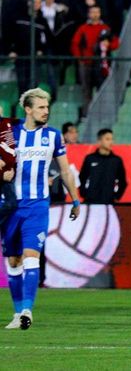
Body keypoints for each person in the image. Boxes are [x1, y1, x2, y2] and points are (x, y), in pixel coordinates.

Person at [2, 89, 80, 330]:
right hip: (11, 206)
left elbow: (65, 171)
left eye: (47, 107)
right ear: (28, 109)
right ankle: (17, 313)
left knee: (31, 256)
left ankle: (27, 310)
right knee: (14, 260)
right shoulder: (9, 134)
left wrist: (75, 199)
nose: (46, 111)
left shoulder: (54, 136)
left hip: (38, 206)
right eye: (41, 107)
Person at [79, 129, 127, 204]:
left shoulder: (117, 160)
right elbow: (82, 177)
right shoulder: (90, 159)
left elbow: (123, 182)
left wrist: (116, 197)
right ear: (99, 141)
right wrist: (84, 194)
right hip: (90, 202)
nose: (111, 142)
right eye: (107, 139)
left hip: (109, 202)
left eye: (112, 139)